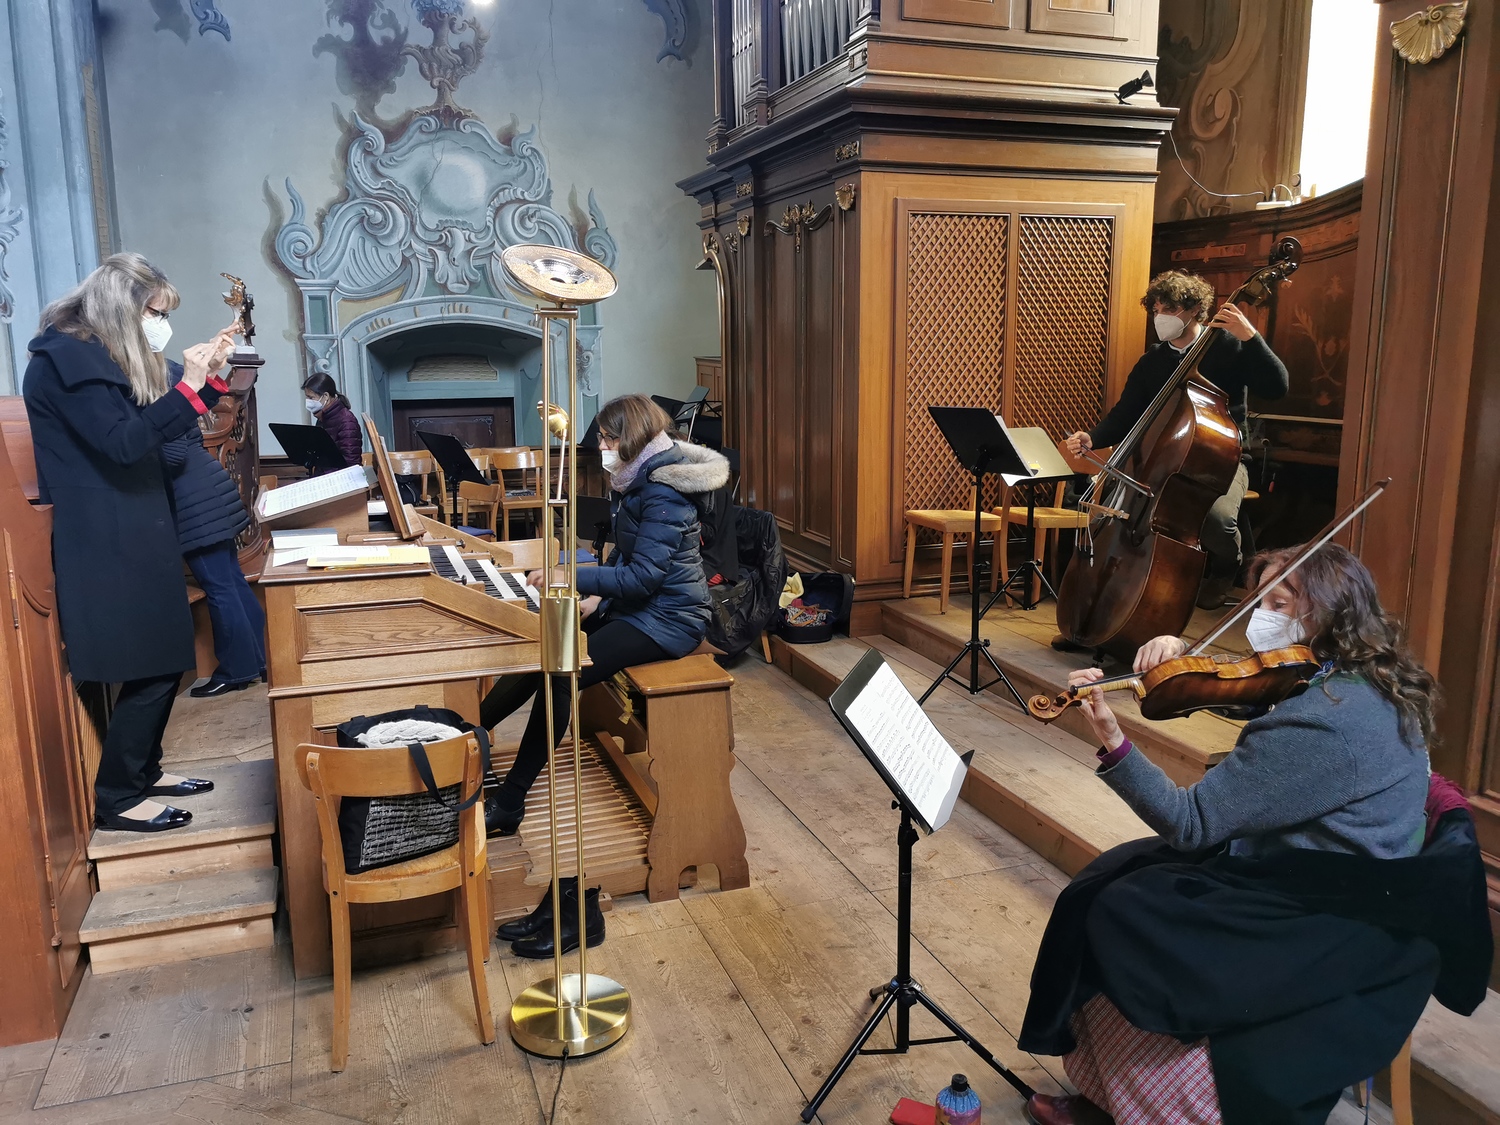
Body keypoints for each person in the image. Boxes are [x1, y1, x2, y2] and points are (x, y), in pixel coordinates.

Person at [1019, 544, 1492, 1125]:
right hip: (1358, 888)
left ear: (1327, 612)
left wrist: (1114, 742)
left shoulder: (1321, 724)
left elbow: (1191, 823)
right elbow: (1260, 693)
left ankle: (1152, 1102)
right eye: (1259, 599)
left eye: (1279, 603)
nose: (1261, 617)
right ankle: (1114, 1094)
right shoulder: (1367, 680)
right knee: (1124, 874)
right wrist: (1182, 658)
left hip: (1322, 918)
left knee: (1117, 909)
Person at [482, 394, 720, 959]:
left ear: (632, 438)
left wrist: (571, 576)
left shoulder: (663, 489)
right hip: (640, 607)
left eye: (610, 440)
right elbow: (627, 563)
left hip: (671, 621)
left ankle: (511, 798)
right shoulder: (640, 478)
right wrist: (592, 593)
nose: (604, 449)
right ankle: (469, 732)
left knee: (562, 670)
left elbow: (643, 578)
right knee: (549, 648)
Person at [24, 253, 239, 832]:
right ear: (122, 308)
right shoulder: (67, 361)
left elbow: (152, 427)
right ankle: (118, 796)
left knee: (166, 657)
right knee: (151, 665)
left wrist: (207, 381)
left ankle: (145, 771)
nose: (160, 324)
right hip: (105, 534)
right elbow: (124, 444)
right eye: (154, 312)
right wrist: (189, 385)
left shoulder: (94, 356)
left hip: (135, 523)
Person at [1063, 271, 1289, 609]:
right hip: (1160, 460)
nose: (1160, 317)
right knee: (1115, 516)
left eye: (1169, 308)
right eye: (1156, 309)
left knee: (1217, 520)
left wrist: (1251, 337)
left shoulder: (1227, 348)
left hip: (1221, 459)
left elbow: (1277, 387)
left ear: (1195, 309)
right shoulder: (1153, 361)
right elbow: (1125, 415)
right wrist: (1092, 437)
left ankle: (1226, 567)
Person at [162, 363, 266, 698]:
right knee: (231, 580)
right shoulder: (172, 376)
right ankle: (259, 661)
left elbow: (171, 454)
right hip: (209, 487)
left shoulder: (156, 390)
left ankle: (237, 671)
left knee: (220, 586)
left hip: (193, 498)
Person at [301, 372, 360, 468]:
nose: (308, 401)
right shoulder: (323, 417)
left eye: (311, 397)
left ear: (326, 396)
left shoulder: (347, 421)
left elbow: (351, 462)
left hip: (339, 475)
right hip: (325, 472)